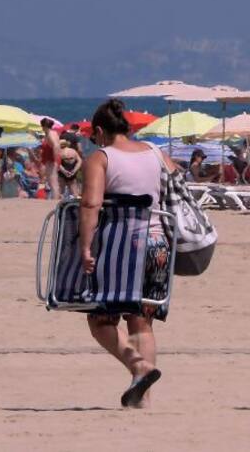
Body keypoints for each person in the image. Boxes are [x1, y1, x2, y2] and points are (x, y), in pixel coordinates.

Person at [79, 98, 176, 408]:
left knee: (100, 319)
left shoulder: (101, 158)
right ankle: (142, 400)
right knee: (142, 321)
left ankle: (139, 367)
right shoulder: (156, 153)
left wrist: (85, 245)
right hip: (158, 244)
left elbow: (91, 204)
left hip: (122, 246)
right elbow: (178, 185)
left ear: (99, 131)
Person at [40, 118, 62, 196]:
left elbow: (56, 146)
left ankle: (55, 200)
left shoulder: (50, 134)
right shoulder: (53, 133)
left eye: (42, 126)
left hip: (51, 160)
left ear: (44, 126)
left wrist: (56, 160)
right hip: (51, 160)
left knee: (53, 182)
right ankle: (55, 198)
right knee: (52, 182)